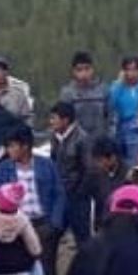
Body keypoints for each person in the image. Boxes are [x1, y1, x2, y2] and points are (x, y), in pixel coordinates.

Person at [0, 124, 69, 275]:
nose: (9, 151)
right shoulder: (3, 168)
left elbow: (59, 193)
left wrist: (55, 223)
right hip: (17, 225)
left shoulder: (45, 164)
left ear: (25, 146)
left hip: (43, 223)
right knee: (18, 271)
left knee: (48, 269)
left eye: (12, 146)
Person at [46, 99, 90, 245]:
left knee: (82, 237)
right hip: (60, 194)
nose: (51, 122)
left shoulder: (82, 139)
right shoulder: (54, 136)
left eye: (54, 118)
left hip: (77, 196)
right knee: (53, 234)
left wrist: (78, 192)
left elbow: (87, 169)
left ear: (65, 120)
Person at [71, 134, 127, 242]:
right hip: (102, 226)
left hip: (124, 226)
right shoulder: (93, 173)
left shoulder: (128, 174)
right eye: (97, 160)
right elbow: (82, 195)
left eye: (101, 160)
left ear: (113, 158)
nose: (98, 164)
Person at [59, 52, 110, 142]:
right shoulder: (68, 93)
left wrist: (109, 137)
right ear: (74, 72)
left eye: (87, 69)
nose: (84, 73)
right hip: (76, 144)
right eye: (79, 70)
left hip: (100, 142)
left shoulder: (103, 91)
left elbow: (110, 117)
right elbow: (63, 122)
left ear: (92, 69)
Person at [107, 55, 138, 134]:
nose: (132, 73)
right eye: (128, 70)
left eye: (135, 69)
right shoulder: (116, 87)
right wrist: (119, 83)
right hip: (123, 128)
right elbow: (110, 105)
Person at [0, 56, 34, 122]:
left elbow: (27, 118)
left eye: (4, 69)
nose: (0, 72)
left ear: (7, 72)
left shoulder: (18, 94)